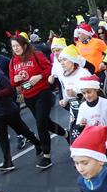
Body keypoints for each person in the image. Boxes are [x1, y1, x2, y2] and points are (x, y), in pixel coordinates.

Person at [8, 34, 68, 169]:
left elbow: (49, 69)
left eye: (17, 45)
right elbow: (12, 81)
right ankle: (66, 134)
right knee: (46, 123)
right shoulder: (13, 61)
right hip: (28, 96)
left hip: (43, 93)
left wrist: (39, 76)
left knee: (40, 124)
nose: (16, 49)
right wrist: (16, 80)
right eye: (13, 47)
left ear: (24, 45)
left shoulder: (36, 55)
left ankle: (47, 156)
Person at [0, 51, 40, 172]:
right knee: (2, 137)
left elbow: (10, 89)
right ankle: (8, 162)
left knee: (23, 130)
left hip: (8, 110)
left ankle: (38, 144)